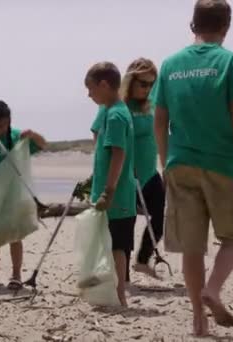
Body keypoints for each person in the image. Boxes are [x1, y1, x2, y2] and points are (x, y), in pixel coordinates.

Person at [153, 0, 233, 335]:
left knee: (191, 246)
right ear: (226, 27)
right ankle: (212, 289)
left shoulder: (170, 65)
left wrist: (164, 161)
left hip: (179, 163)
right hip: (221, 163)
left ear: (192, 25)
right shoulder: (229, 61)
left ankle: (198, 319)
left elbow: (160, 119)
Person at [0, 100, 46, 292]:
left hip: (16, 194)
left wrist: (33, 134)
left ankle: (16, 276)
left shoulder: (16, 137)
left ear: (9, 121)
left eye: (2, 126)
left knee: (15, 235)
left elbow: (42, 144)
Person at [85, 62, 137, 306]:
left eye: (91, 89)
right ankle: (106, 292)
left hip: (118, 197)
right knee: (105, 244)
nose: (89, 95)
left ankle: (119, 296)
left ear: (104, 85)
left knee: (118, 247)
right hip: (107, 192)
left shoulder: (116, 114)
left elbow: (118, 154)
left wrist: (108, 190)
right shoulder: (109, 111)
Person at [119, 58, 166, 280]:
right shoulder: (119, 107)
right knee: (125, 225)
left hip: (150, 173)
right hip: (127, 175)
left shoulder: (152, 103)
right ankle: (122, 274)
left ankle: (142, 260)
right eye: (143, 83)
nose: (147, 89)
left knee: (159, 221)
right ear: (131, 81)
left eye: (151, 84)